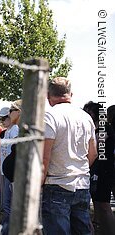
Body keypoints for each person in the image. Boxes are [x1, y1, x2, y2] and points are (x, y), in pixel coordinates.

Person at [41, 77, 97, 235]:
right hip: (81, 184)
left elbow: (44, 158)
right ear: (71, 94)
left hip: (57, 184)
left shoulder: (50, 117)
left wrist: (38, 185)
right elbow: (93, 153)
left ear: (48, 95)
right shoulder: (86, 117)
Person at [83, 102, 115, 234]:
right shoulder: (96, 129)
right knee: (97, 204)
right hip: (96, 170)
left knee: (104, 204)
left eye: (88, 111)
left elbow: (95, 147)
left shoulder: (104, 129)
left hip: (104, 171)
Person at [0, 100, 21, 235]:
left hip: (14, 175)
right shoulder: (7, 131)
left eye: (10, 111)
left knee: (11, 205)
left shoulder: (16, 130)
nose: (3, 119)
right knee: (6, 204)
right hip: (6, 172)